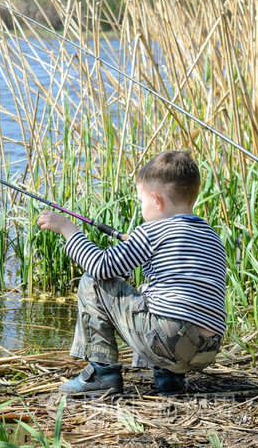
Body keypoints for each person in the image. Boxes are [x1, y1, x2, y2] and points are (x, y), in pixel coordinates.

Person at [36, 151, 226, 396]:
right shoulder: (211, 237)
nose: (141, 207)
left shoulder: (152, 232)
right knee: (156, 296)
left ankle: (102, 373)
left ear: (157, 201)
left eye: (141, 200)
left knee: (93, 281)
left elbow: (101, 267)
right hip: (207, 350)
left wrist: (68, 229)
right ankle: (169, 375)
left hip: (169, 341)